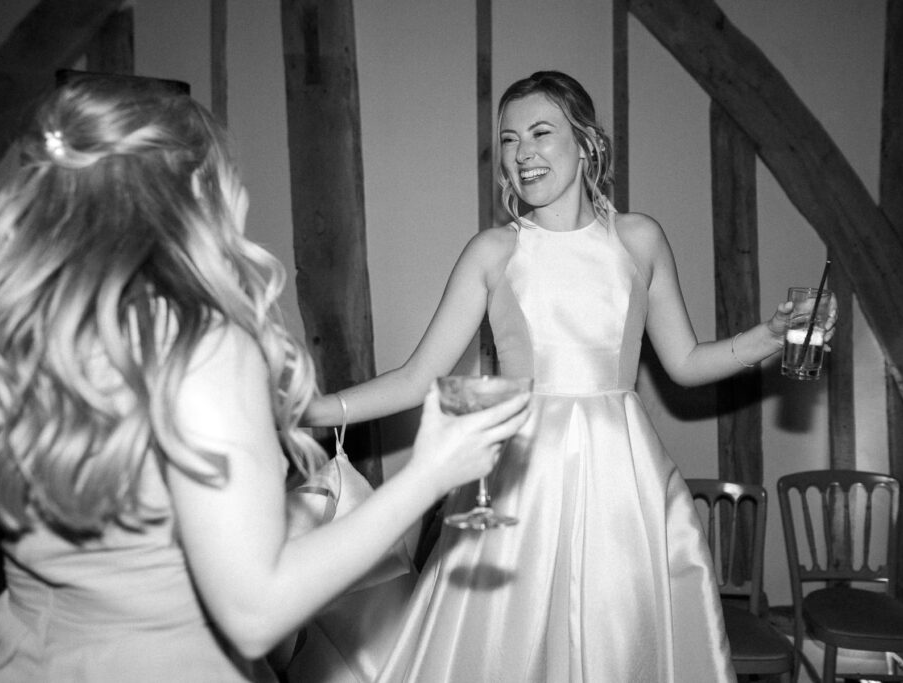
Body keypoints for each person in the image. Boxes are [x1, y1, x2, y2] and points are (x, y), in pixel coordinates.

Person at [0, 72, 531, 682]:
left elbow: (133, 537)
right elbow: (254, 612)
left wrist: (301, 511)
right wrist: (429, 474)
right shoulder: (202, 346)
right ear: (198, 190)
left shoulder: (24, 331)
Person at [300, 70, 837, 682]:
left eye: (539, 132)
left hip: (623, 484)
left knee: (617, 642)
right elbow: (414, 377)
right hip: (518, 481)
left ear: (586, 143)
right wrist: (311, 411)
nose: (522, 152)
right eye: (508, 139)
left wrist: (773, 332)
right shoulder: (493, 252)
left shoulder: (640, 240)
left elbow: (685, 364)